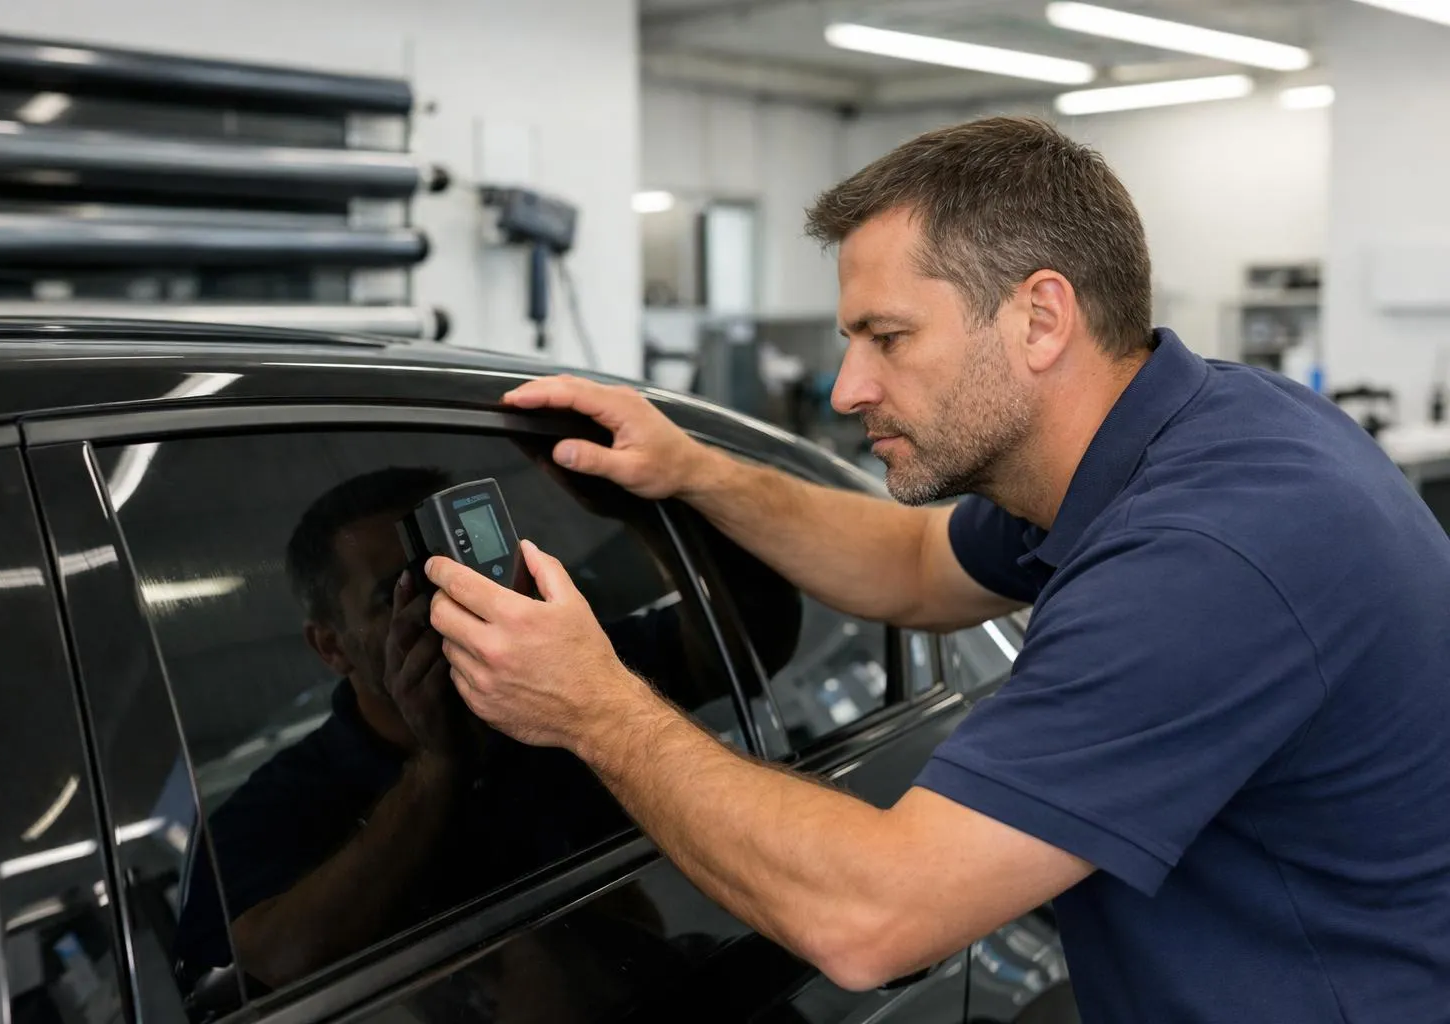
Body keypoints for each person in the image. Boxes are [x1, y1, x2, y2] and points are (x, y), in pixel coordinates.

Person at [424, 116, 1450, 1023]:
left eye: (888, 338)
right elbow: (916, 562)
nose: (847, 387)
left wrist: (591, 705)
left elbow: (873, 918)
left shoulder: (1205, 559)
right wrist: (693, 468)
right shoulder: (1182, 429)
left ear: (1040, 318)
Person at [173, 467, 625, 993]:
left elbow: (701, 654)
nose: (447, 604)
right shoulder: (268, 810)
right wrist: (439, 763)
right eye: (398, 593)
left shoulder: (561, 687)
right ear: (332, 647)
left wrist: (642, 513)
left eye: (453, 573)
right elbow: (269, 963)